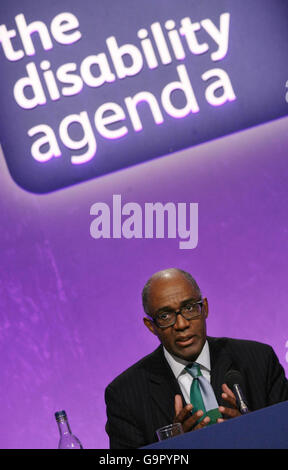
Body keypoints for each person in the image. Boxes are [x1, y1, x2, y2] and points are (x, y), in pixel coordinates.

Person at [105, 268, 288, 449]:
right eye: (165, 316)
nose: (182, 324)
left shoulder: (259, 361)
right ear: (151, 326)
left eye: (190, 308)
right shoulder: (125, 395)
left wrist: (251, 433)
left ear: (205, 308)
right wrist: (173, 450)